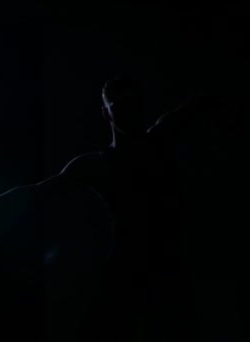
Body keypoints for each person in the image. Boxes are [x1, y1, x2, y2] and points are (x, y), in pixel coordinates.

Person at [37, 77, 195, 341]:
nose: (128, 111)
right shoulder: (98, 164)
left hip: (166, 274)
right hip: (127, 275)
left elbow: (198, 104)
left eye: (132, 104)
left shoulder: (160, 139)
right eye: (118, 105)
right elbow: (37, 191)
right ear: (106, 112)